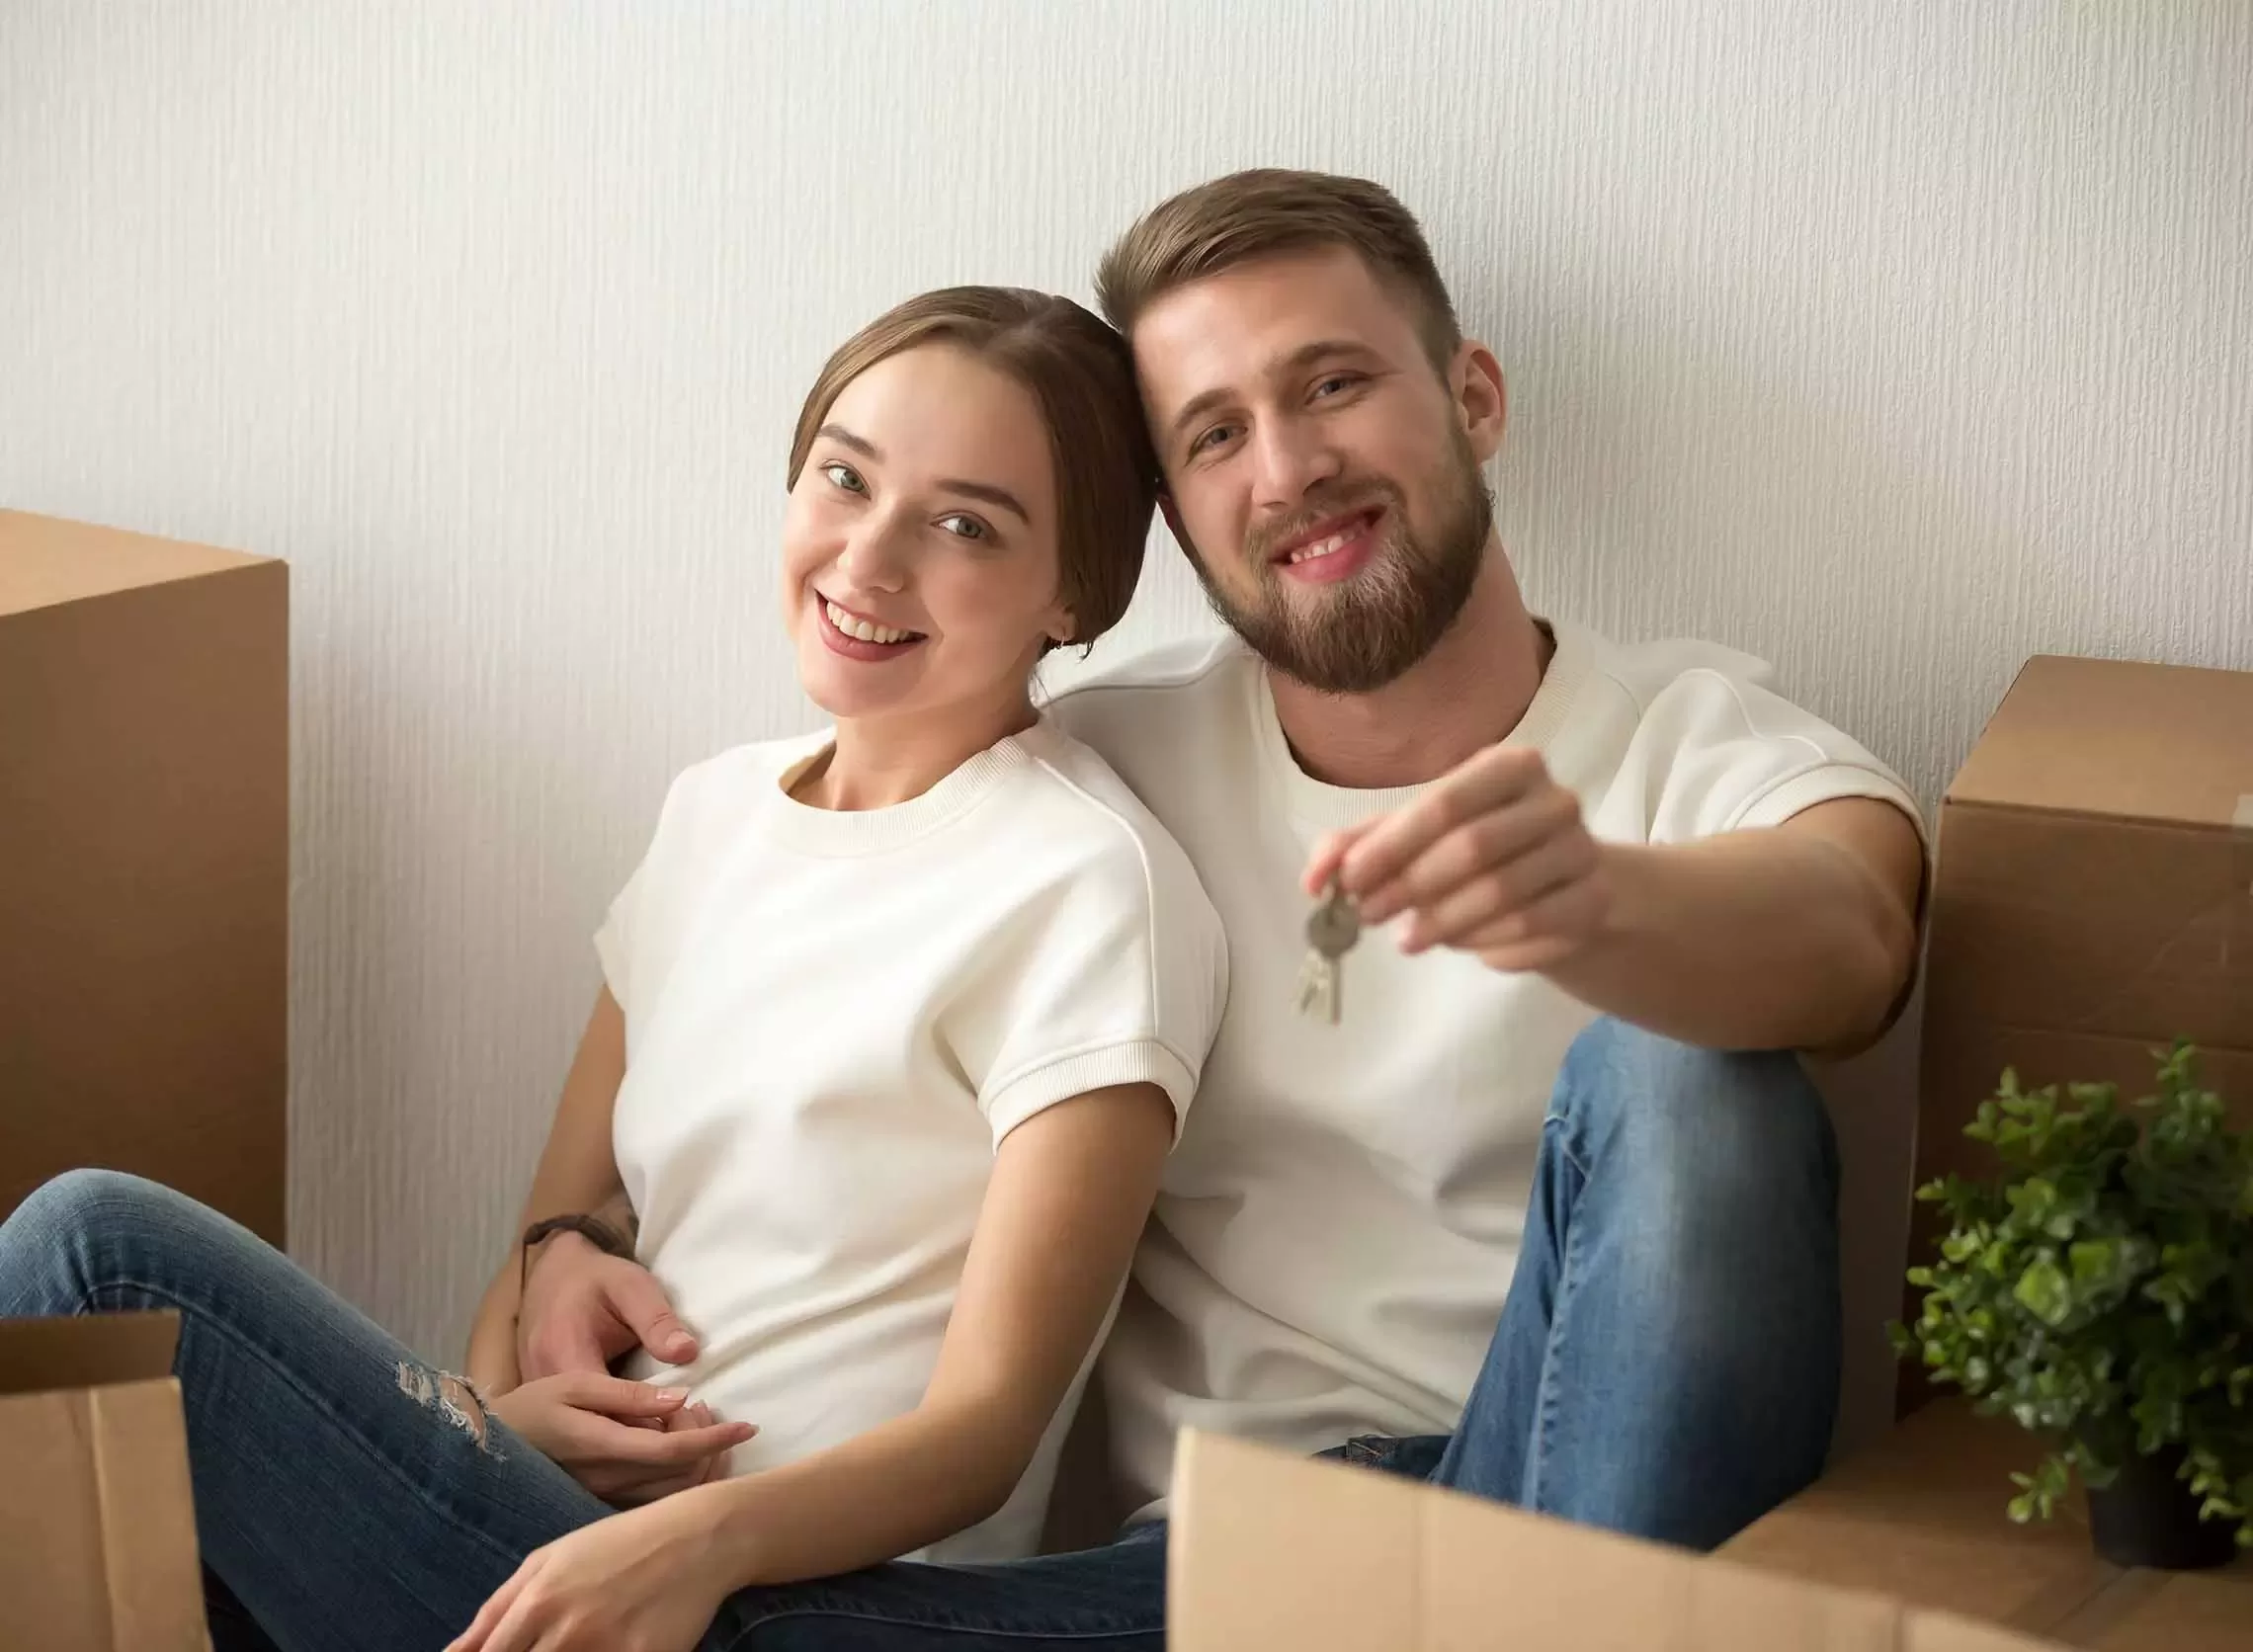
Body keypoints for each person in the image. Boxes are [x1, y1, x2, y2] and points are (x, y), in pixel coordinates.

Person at [509, 169, 1931, 1648]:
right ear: (1171, 524)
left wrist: (1602, 908)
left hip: (1559, 1506)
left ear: (1475, 398)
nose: (1289, 466)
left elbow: (1854, 934)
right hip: (1210, 1575)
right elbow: (774, 950)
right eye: (1215, 436)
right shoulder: (1094, 776)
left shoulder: (1698, 748)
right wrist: (566, 1236)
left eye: (1333, 385)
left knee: (1692, 1069)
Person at [0, 286, 1227, 1651]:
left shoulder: (1084, 883)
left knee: (95, 1253)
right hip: (548, 1513)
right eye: (844, 476)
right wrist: (510, 1409)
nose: (868, 561)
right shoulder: (714, 811)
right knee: (119, 1524)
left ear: (1075, 591)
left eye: (963, 526)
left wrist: (683, 1544)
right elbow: (541, 1247)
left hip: (761, 1591)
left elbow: (983, 1434)